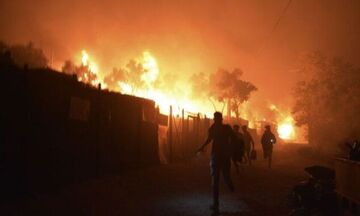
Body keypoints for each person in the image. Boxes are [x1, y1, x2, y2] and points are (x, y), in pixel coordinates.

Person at [197, 112, 235, 212]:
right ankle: (230, 186)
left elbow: (209, 139)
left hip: (216, 156)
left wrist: (202, 147)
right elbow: (234, 138)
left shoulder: (213, 128)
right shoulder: (227, 128)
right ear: (221, 119)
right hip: (224, 156)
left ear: (215, 119)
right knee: (226, 176)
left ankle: (216, 204)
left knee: (215, 180)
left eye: (215, 118)